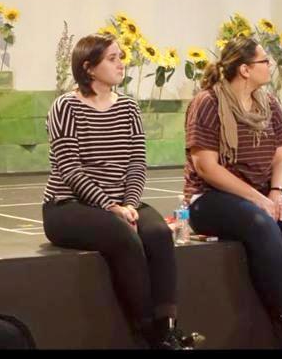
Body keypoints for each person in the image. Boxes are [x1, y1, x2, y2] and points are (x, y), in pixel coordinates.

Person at [42, 33, 201, 350]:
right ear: (89, 67)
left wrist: (128, 203)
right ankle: (148, 333)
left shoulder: (128, 107)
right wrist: (110, 206)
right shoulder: (66, 106)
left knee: (158, 233)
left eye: (121, 57)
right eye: (112, 59)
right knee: (123, 236)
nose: (121, 64)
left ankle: (167, 326)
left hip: (121, 202)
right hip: (68, 206)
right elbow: (70, 169)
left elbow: (137, 163)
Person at [184, 36, 282, 349]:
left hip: (264, 191)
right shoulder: (208, 102)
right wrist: (258, 199)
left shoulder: (269, 104)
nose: (270, 66)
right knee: (261, 223)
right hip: (210, 197)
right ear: (244, 69)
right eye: (264, 61)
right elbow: (206, 167)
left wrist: (277, 191)